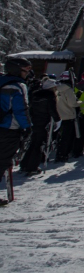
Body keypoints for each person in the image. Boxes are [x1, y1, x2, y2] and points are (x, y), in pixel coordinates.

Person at [1, 58, 34, 203]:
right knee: (2, 160)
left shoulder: (2, 81)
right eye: (25, 70)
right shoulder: (18, 86)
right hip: (8, 128)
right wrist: (27, 127)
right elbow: (21, 109)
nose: (28, 73)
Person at [20, 77, 59, 175]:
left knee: (33, 143)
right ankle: (32, 167)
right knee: (39, 144)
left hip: (34, 121)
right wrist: (58, 120)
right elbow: (52, 110)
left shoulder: (35, 95)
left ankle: (24, 164)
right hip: (44, 122)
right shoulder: (50, 96)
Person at [54, 71, 79, 163]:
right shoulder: (68, 90)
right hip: (68, 116)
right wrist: (79, 102)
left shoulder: (56, 89)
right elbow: (72, 103)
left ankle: (57, 153)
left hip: (58, 116)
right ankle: (62, 154)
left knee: (58, 136)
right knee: (66, 137)